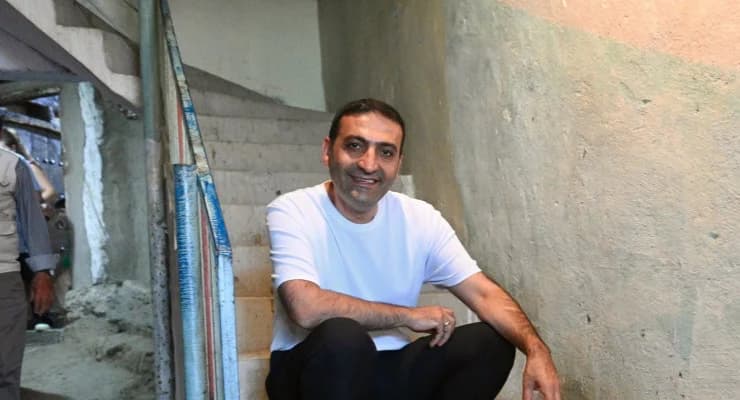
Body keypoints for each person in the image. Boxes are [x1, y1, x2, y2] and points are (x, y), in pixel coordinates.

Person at [265, 98, 561, 400]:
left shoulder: (419, 218)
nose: (369, 164)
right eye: (355, 146)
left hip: (388, 368)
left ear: (398, 163)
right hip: (311, 371)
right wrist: (408, 316)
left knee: (489, 341)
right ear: (328, 150)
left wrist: (536, 350)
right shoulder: (293, 209)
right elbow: (305, 307)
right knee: (344, 337)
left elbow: (483, 294)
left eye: (386, 152)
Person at [0, 118, 57, 400]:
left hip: (5, 277)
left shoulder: (12, 165)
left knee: (5, 369)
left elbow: (33, 220)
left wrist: (43, 273)